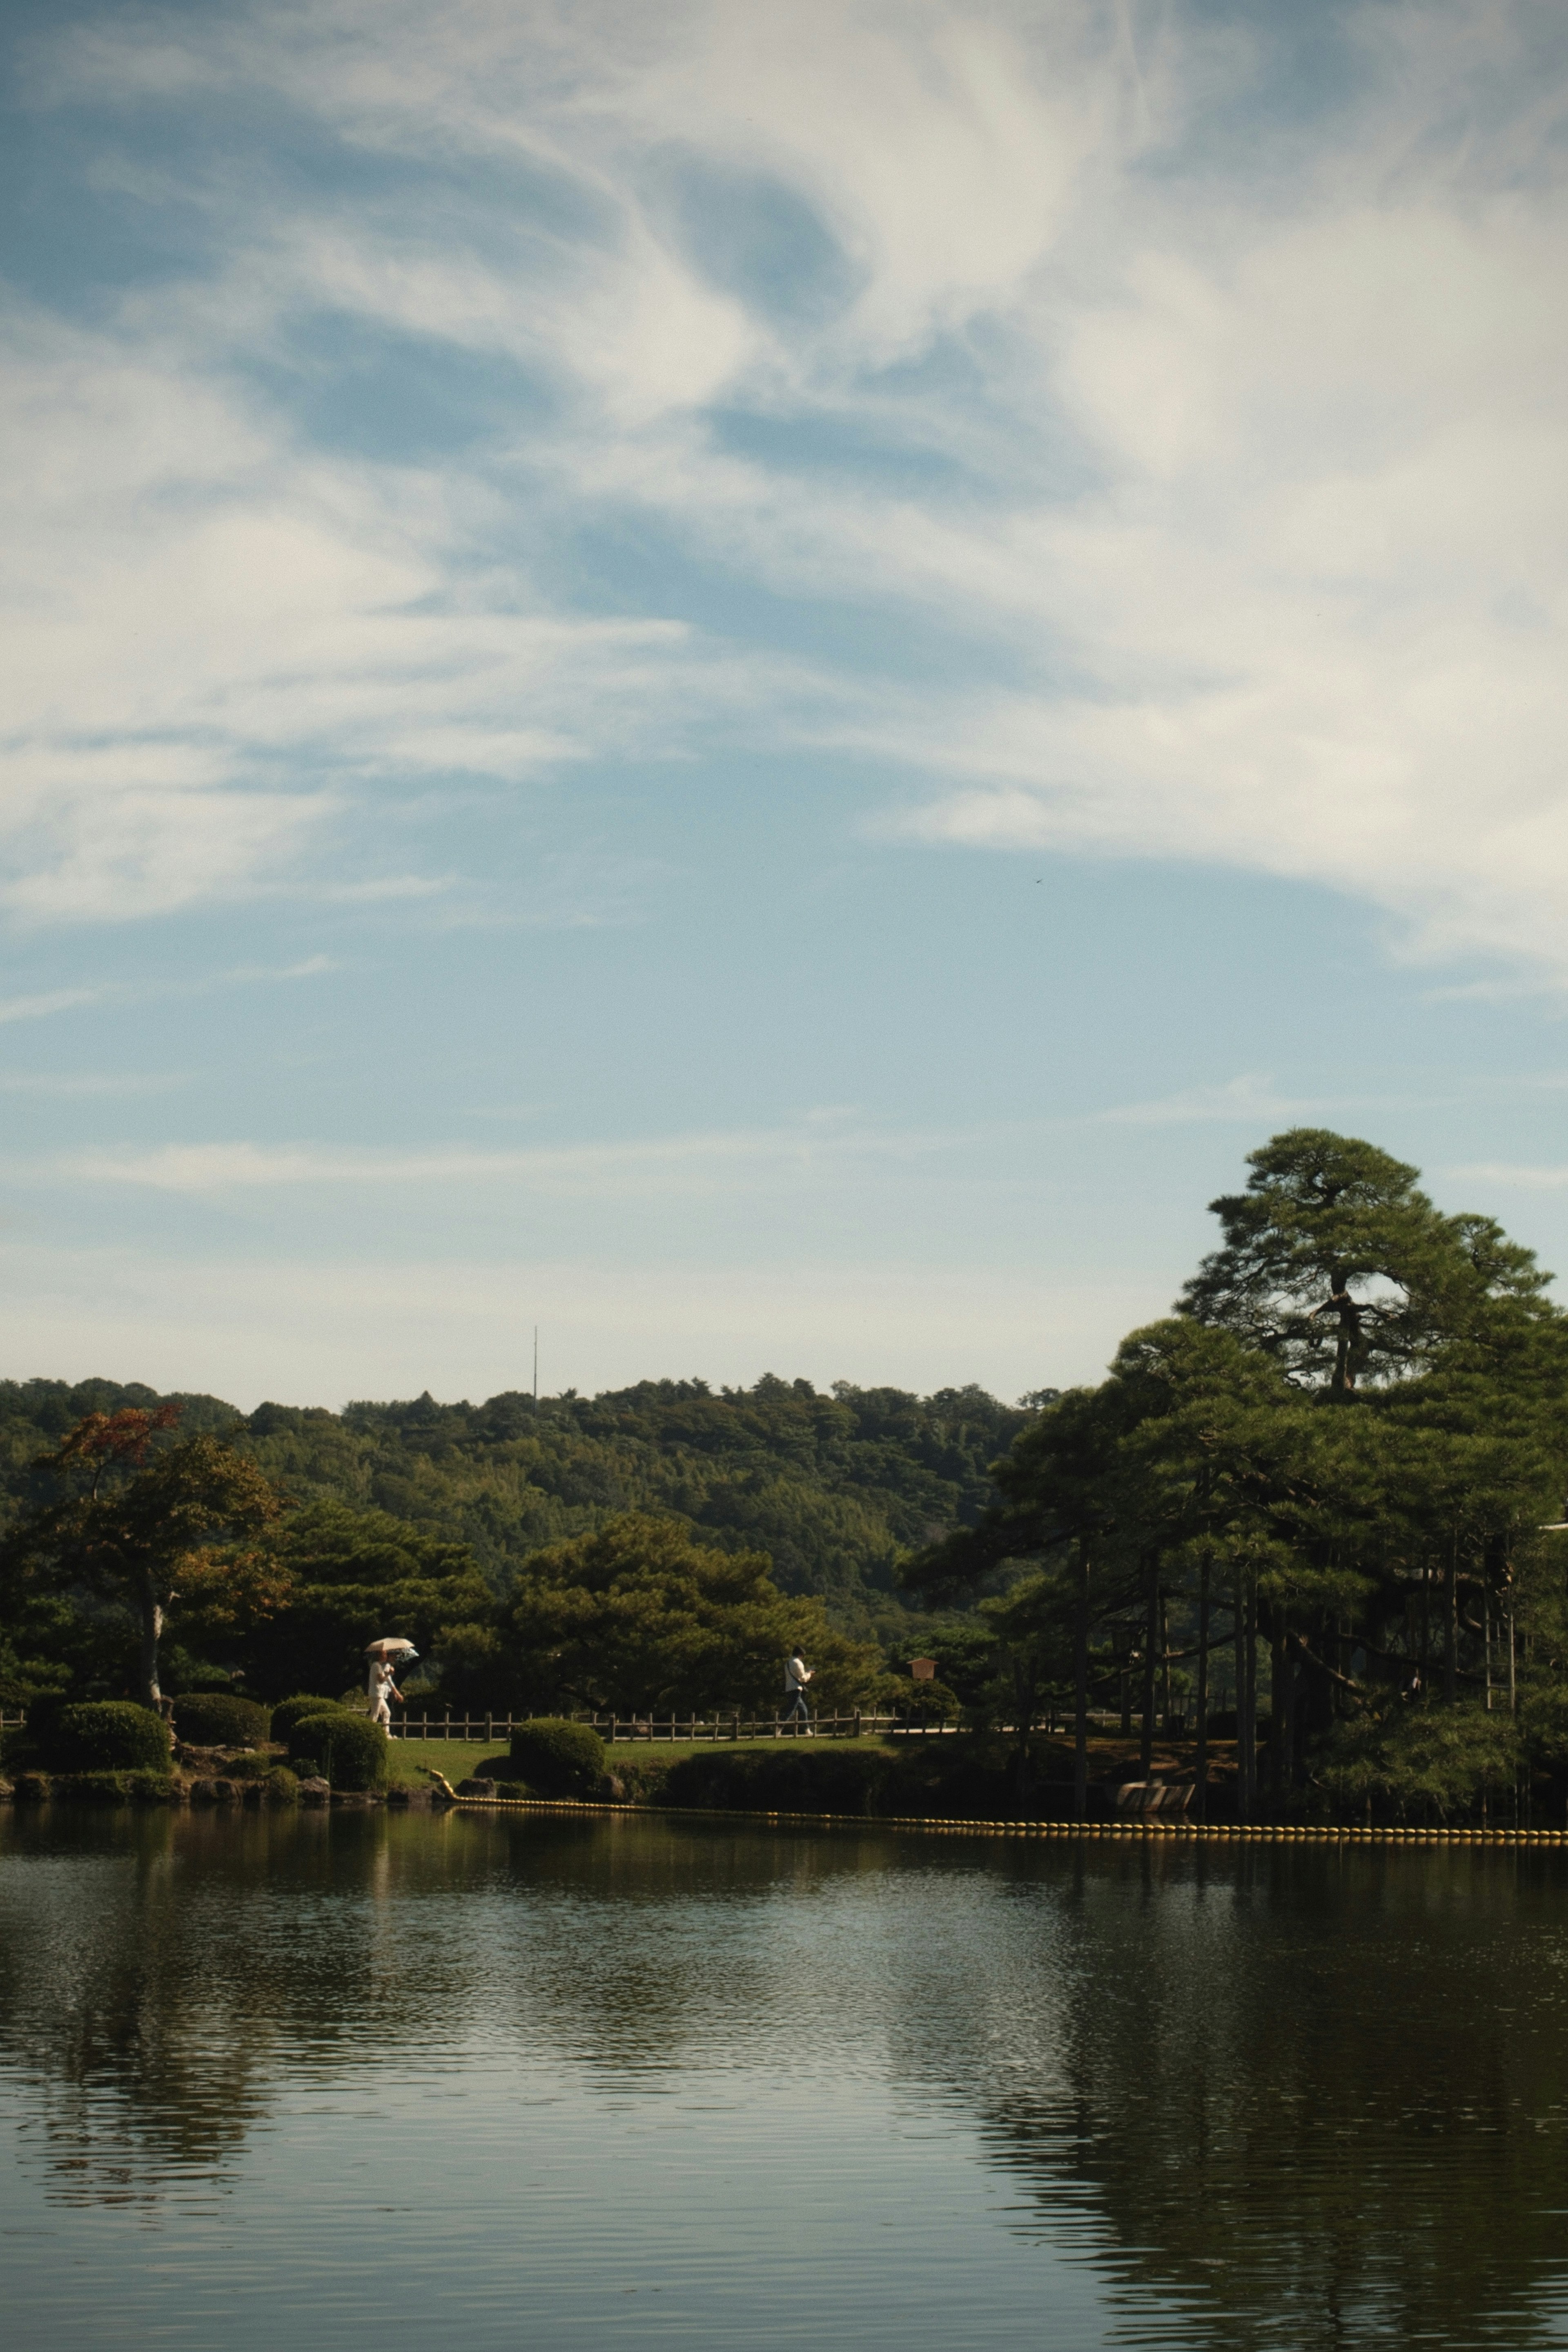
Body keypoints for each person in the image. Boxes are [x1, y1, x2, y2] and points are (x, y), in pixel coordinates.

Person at [781, 1648, 813, 1734]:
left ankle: (807, 1730)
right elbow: (803, 1679)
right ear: (801, 1655)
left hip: (789, 1689)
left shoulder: (788, 1663)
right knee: (790, 1711)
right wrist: (809, 1674)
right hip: (796, 1689)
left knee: (804, 1710)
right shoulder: (798, 1663)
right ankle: (779, 1729)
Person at [368, 1655, 403, 1728]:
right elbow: (382, 1680)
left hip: (379, 1694)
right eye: (385, 1655)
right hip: (376, 1693)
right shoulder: (377, 1666)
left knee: (387, 1713)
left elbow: (386, 1679)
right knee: (375, 1714)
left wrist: (389, 1674)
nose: (386, 1657)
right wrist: (389, 1673)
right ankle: (369, 1731)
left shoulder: (379, 1666)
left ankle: (386, 1734)